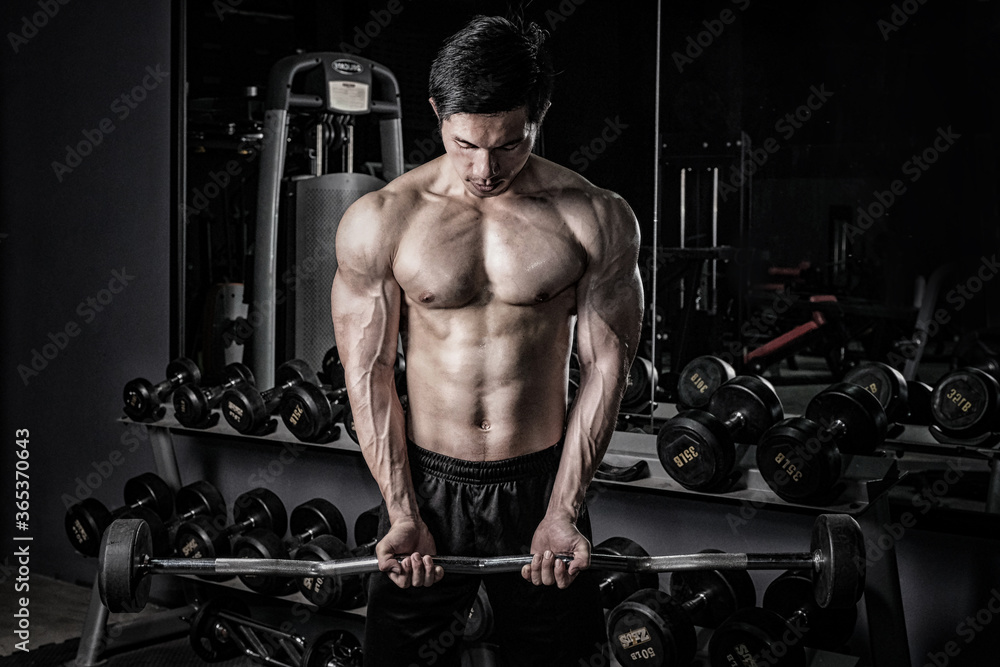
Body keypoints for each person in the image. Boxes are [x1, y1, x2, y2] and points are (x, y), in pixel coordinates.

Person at [331, 14, 642, 666]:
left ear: (541, 114)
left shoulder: (593, 217)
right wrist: (401, 509)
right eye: (465, 142)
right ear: (437, 111)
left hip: (541, 481)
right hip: (428, 485)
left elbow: (606, 367)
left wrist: (564, 508)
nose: (484, 167)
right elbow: (371, 372)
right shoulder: (384, 219)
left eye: (509, 145)